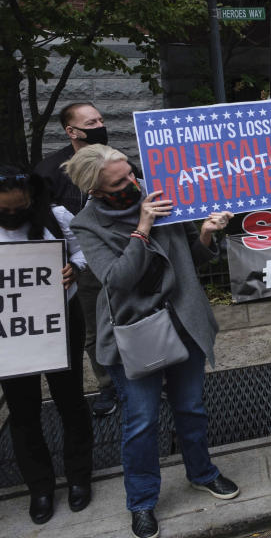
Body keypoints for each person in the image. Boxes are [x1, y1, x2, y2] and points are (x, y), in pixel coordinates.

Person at [64, 145, 238, 538]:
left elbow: (196, 258)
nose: (133, 183)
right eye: (120, 181)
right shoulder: (87, 223)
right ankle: (141, 501)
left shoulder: (162, 193)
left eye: (132, 173)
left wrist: (208, 234)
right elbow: (118, 282)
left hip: (183, 322)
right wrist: (142, 226)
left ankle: (202, 472)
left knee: (191, 408)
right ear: (97, 190)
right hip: (134, 333)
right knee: (141, 422)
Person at [0, 166, 94, 524]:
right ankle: (39, 488)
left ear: (31, 200)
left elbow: (84, 250)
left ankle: (79, 478)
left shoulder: (55, 216)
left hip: (60, 322)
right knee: (23, 412)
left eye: (18, 208)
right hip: (11, 331)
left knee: (70, 402)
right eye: (3, 210)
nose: (11, 216)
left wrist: (74, 268)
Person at [34, 101, 120, 416]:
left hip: (123, 258)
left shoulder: (117, 162)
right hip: (82, 268)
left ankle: (149, 377)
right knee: (94, 331)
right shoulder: (48, 172)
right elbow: (42, 223)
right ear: (71, 131)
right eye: (91, 121)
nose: (100, 125)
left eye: (101, 118)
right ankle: (109, 385)